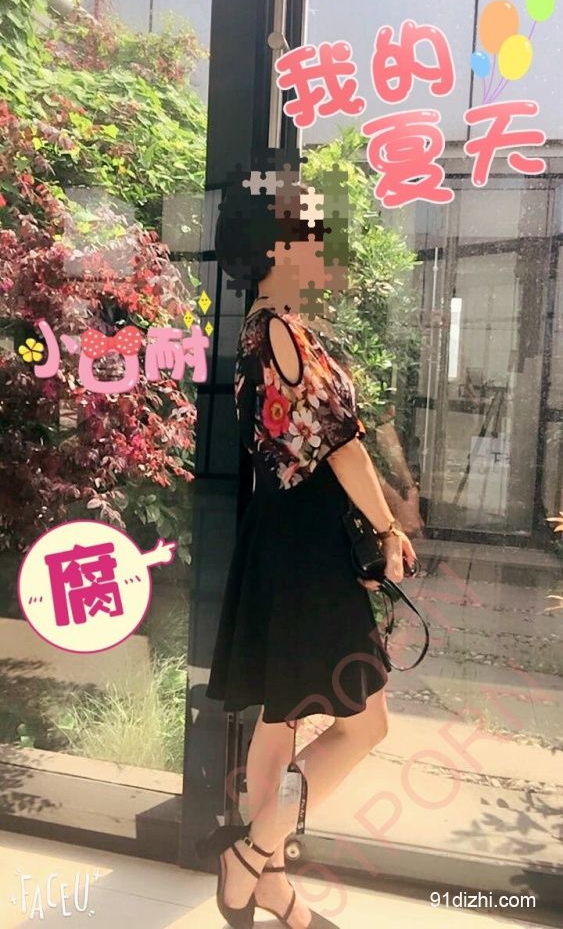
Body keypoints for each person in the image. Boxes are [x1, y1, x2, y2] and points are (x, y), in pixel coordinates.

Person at [201, 183, 418, 928]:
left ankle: (272, 890)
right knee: (364, 725)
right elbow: (342, 446)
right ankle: (250, 857)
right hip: (306, 554)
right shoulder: (285, 333)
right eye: (313, 235)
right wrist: (387, 528)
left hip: (279, 544)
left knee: (280, 719)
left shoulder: (257, 333)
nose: (323, 249)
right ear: (279, 247)